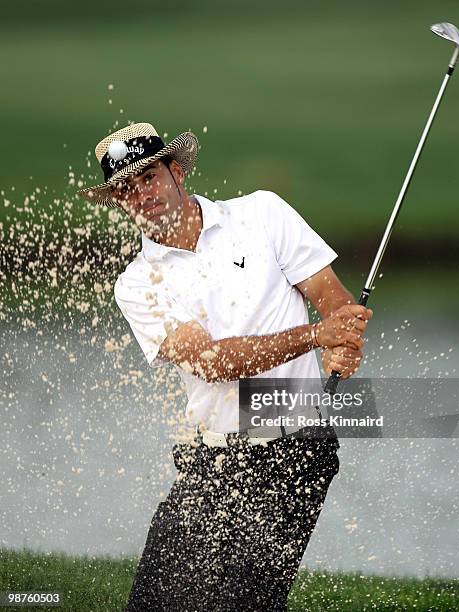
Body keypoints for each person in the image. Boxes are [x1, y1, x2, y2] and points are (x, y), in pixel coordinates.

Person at [78, 122, 372, 611]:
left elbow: (333, 303)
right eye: (125, 189)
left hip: (294, 454)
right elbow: (213, 363)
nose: (141, 194)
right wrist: (318, 337)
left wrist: (342, 337)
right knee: (153, 604)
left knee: (242, 604)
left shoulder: (262, 214)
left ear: (176, 171)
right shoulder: (137, 283)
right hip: (210, 460)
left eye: (148, 177)